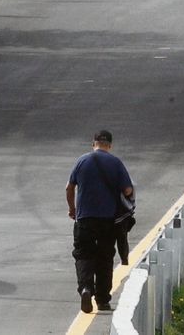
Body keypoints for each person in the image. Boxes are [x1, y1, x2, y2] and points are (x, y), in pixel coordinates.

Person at [65, 130, 134, 314]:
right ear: (109, 145)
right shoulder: (115, 162)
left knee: (83, 255)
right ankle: (103, 300)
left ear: (93, 143)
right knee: (105, 257)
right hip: (108, 221)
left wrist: (72, 209)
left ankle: (86, 288)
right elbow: (127, 190)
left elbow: (69, 187)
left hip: (84, 219)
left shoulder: (82, 161)